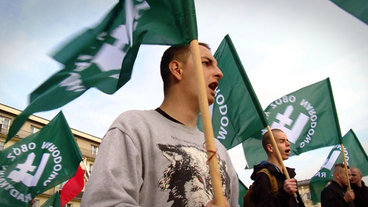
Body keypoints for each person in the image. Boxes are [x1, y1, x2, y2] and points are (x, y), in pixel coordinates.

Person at [80, 43, 239, 207]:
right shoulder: (134, 128)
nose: (219, 73)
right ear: (177, 69)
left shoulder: (221, 151)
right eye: (206, 63)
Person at [250, 128, 305, 207]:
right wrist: (284, 193)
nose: (288, 144)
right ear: (270, 148)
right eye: (282, 141)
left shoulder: (288, 175)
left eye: (287, 140)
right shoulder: (263, 177)